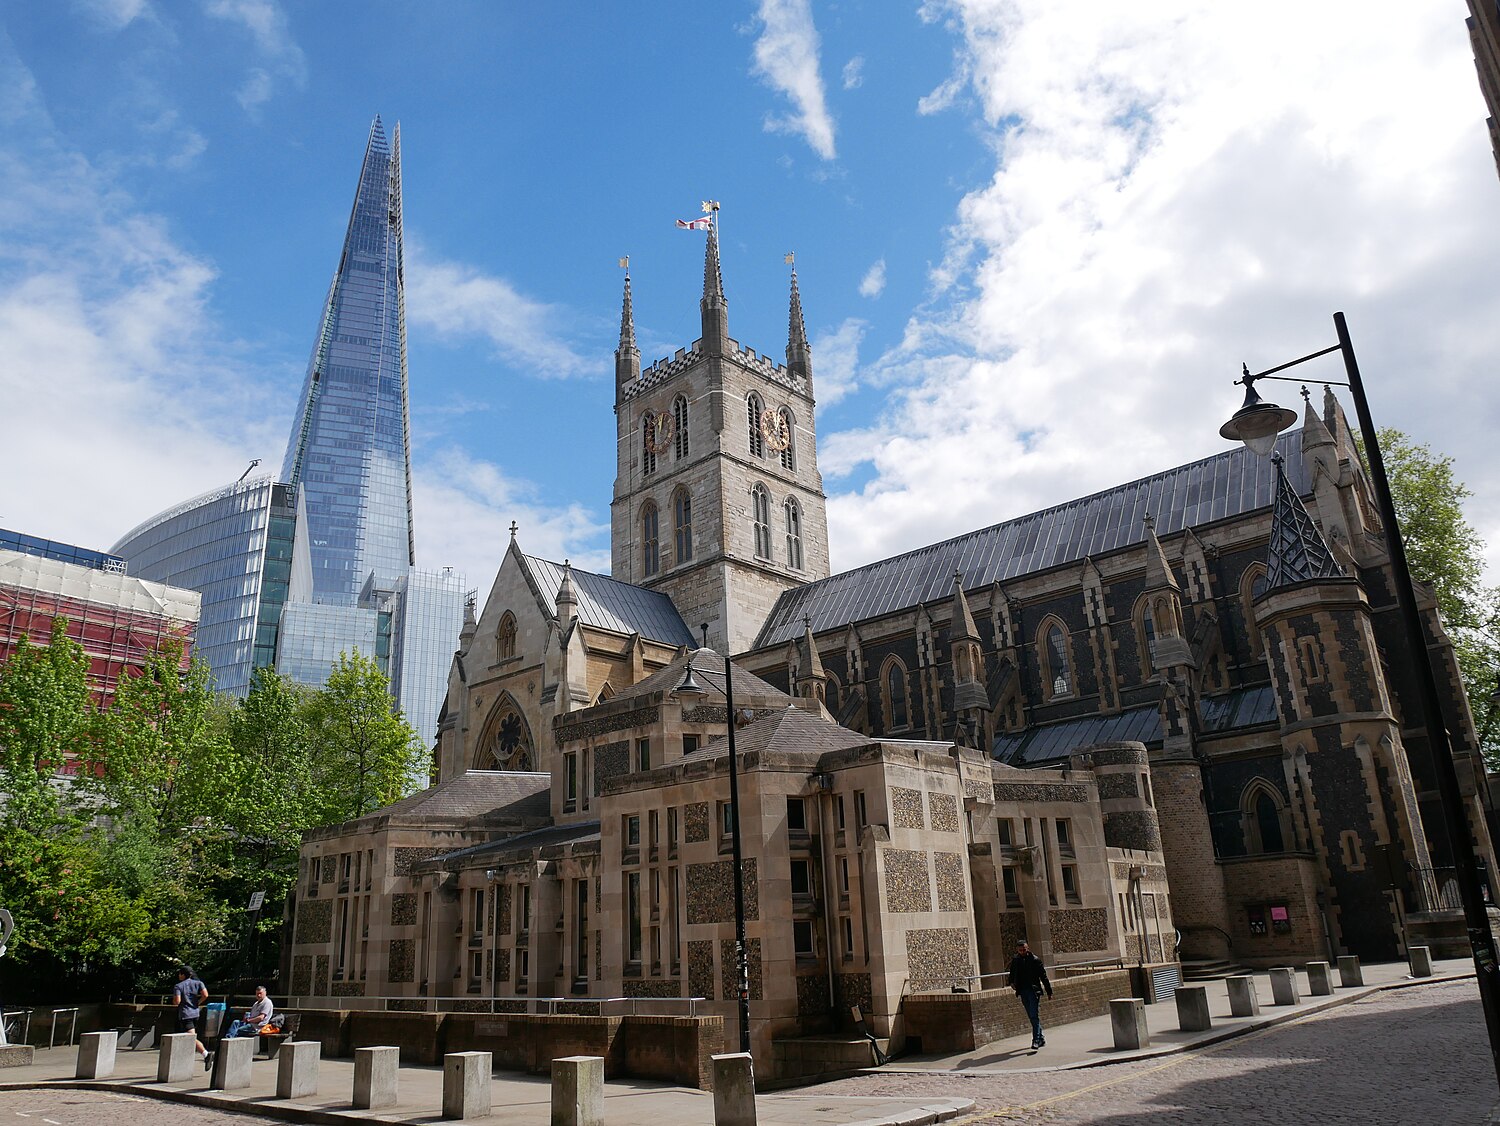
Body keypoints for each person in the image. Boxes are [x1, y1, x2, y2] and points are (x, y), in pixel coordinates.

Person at [1008, 938, 1053, 1049]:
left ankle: (1036, 1040)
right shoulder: (1016, 960)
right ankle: (1041, 1038)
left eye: (1024, 950)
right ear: (1017, 950)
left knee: (1034, 1015)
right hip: (1023, 991)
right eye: (1020, 950)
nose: (1022, 952)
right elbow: (1012, 974)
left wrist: (1049, 991)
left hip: (1033, 991)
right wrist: (1012, 983)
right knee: (1031, 1016)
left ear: (1027, 948)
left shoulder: (1035, 960)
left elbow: (1043, 976)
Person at [171, 966, 211, 1068]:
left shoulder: (178, 986)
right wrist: (198, 1002)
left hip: (185, 1014)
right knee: (186, 1036)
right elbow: (205, 995)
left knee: (191, 1037)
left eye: (180, 973)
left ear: (183, 975)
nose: (179, 976)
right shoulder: (198, 983)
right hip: (195, 1013)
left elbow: (177, 1001)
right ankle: (183, 1060)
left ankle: (206, 1054)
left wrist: (174, 1001)